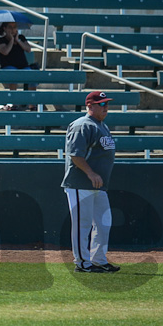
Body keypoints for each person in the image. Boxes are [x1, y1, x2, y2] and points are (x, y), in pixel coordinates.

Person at [61, 91, 120, 273]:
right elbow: (75, 154)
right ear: (90, 106)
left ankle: (99, 259)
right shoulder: (82, 125)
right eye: (101, 104)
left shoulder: (102, 125)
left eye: (106, 104)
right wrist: (90, 173)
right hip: (80, 183)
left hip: (98, 185)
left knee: (104, 222)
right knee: (83, 223)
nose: (105, 107)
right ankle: (82, 263)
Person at [0, 22, 37, 102]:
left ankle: (32, 103)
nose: (13, 30)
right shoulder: (0, 40)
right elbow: (5, 51)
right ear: (5, 28)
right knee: (13, 74)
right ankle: (13, 102)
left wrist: (18, 40)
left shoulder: (21, 38)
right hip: (8, 66)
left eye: (15, 27)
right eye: (10, 27)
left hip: (23, 66)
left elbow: (28, 49)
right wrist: (11, 40)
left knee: (32, 77)